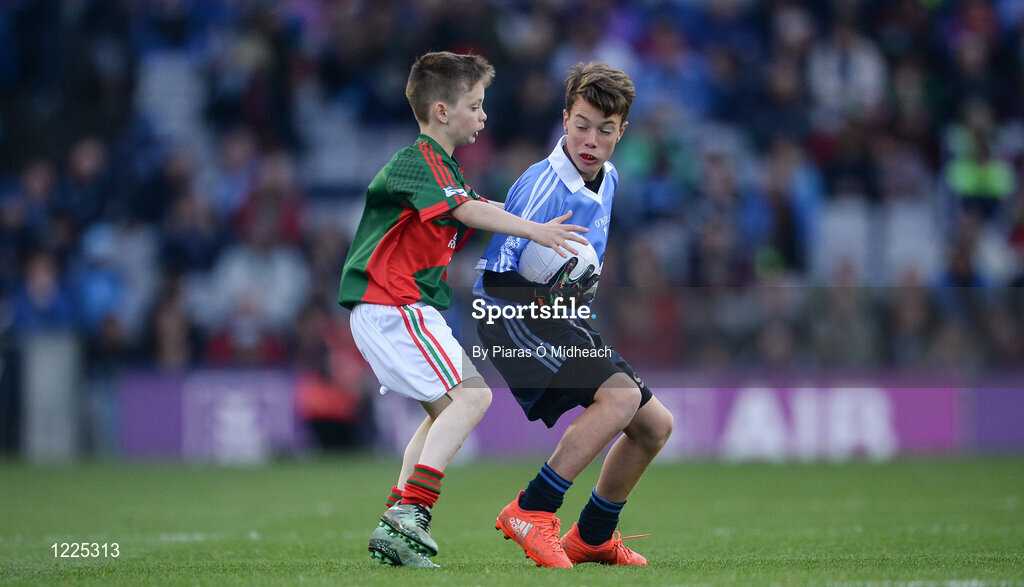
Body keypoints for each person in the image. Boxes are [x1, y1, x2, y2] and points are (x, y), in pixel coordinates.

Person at [337, 51, 590, 568]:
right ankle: (412, 513)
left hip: (402, 307)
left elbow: (485, 206)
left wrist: (534, 214)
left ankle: (396, 528)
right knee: (473, 398)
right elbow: (467, 210)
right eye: (475, 105)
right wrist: (540, 233)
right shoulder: (417, 161)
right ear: (441, 111)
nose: (484, 115)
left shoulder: (442, 168)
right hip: (392, 302)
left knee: (443, 411)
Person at [474, 62, 674, 567]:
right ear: (564, 120)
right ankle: (531, 509)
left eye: (605, 130)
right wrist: (546, 298)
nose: (591, 139)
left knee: (655, 425)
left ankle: (593, 535)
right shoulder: (541, 187)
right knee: (619, 397)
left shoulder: (608, 178)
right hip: (508, 315)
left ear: (621, 132)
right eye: (582, 124)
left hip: (561, 314)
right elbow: (493, 276)